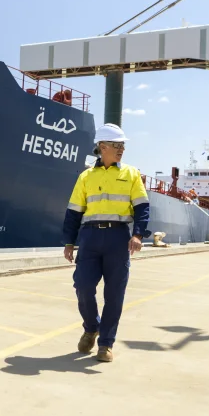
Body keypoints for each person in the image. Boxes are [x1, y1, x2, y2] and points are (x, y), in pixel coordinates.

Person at [62, 123, 150, 363]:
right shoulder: (86, 176)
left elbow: (142, 207)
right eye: (116, 145)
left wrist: (138, 235)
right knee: (83, 286)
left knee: (114, 294)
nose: (121, 149)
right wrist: (69, 242)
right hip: (89, 238)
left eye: (122, 145)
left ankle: (105, 344)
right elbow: (73, 212)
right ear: (102, 147)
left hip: (118, 238)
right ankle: (91, 327)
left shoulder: (131, 174)